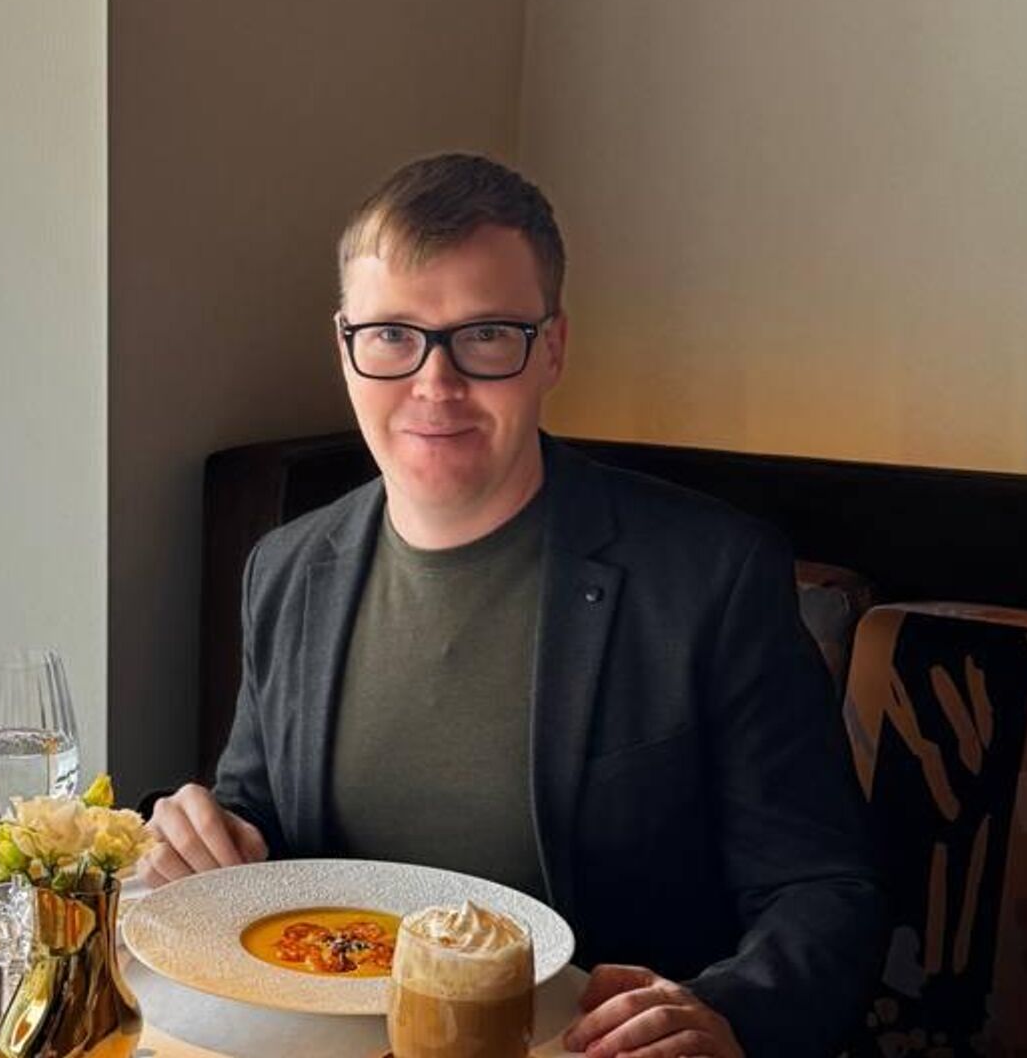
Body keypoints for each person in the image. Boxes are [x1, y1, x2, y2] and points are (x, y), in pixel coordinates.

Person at [139, 153, 883, 1057]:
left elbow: (823, 890)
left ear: (553, 347)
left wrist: (727, 1013)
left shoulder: (712, 574)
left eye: (486, 335)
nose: (434, 383)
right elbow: (260, 817)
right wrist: (206, 836)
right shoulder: (287, 568)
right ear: (345, 346)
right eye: (392, 335)